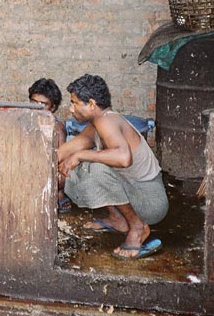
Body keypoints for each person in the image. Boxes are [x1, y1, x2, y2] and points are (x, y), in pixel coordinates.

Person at [58, 74, 168, 260]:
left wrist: (81, 155)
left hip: (151, 202)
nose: (70, 108)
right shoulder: (97, 123)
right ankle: (118, 219)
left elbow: (124, 158)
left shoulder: (107, 120)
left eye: (74, 103)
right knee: (74, 171)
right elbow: (65, 151)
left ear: (91, 104)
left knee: (96, 169)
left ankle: (137, 227)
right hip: (136, 193)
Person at [28, 78, 70, 213]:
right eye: (33, 102)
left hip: (49, 170)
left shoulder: (57, 127)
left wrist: (58, 187)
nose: (37, 107)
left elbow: (62, 161)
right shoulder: (25, 120)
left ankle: (58, 194)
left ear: (53, 107)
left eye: (43, 104)